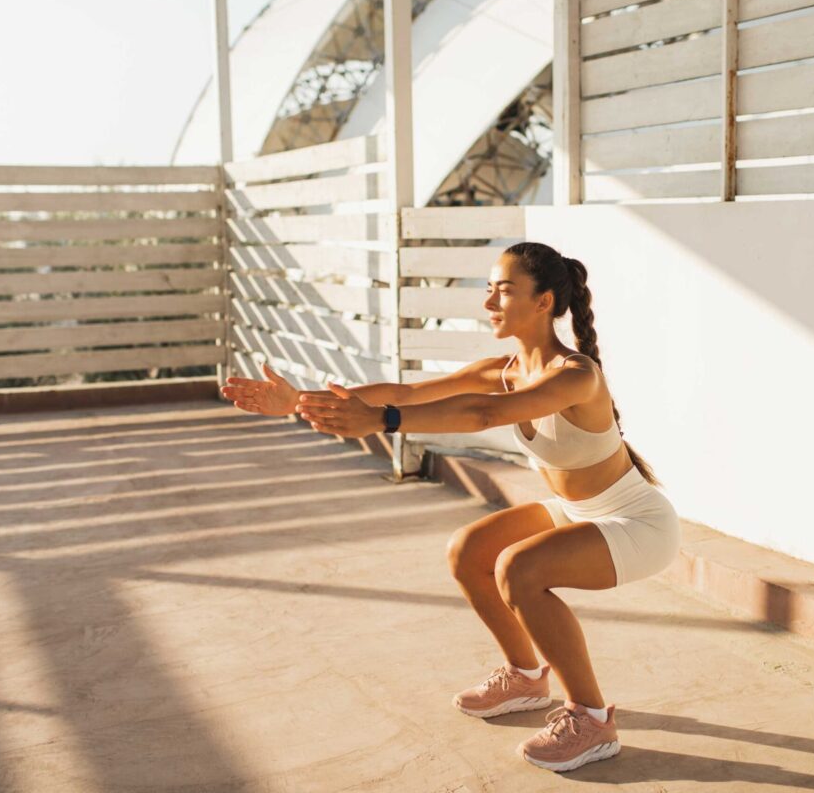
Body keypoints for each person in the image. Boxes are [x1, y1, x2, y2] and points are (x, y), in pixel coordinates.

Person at [219, 241, 681, 773]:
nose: (489, 301)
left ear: (544, 301)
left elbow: (482, 415)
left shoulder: (574, 375)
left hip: (636, 523)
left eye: (504, 290)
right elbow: (409, 390)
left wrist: (385, 422)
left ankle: (593, 720)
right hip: (576, 510)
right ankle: (526, 679)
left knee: (519, 568)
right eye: (488, 289)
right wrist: (299, 399)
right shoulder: (502, 369)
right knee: (469, 550)